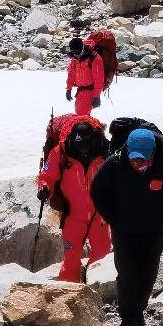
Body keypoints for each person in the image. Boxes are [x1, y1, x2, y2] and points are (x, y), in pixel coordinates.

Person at [90, 127, 163, 326]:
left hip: (153, 229)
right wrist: (112, 218)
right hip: (123, 230)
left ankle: (138, 311)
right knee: (127, 273)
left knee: (148, 273)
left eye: (143, 160)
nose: (138, 164)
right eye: (134, 159)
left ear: (153, 153)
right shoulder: (115, 163)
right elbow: (97, 191)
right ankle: (127, 318)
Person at [39, 117, 111, 282]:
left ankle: (95, 291)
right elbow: (46, 175)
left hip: (98, 215)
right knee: (71, 259)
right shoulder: (60, 151)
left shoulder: (103, 149)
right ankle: (68, 295)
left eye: (86, 149)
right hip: (72, 215)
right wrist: (43, 187)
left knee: (102, 255)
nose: (82, 152)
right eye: (79, 149)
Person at [64, 36, 106, 116]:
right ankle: (93, 127)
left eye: (77, 52)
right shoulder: (75, 59)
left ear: (82, 48)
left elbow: (99, 79)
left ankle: (95, 127)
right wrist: (69, 89)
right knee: (80, 114)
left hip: (90, 90)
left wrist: (96, 96)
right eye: (73, 53)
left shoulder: (94, 58)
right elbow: (71, 74)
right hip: (80, 91)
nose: (75, 55)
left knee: (82, 114)